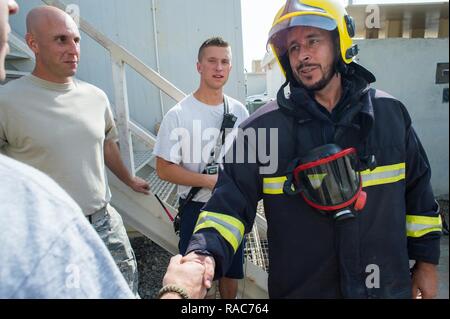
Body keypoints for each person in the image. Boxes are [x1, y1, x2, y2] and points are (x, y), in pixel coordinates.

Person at [181, 0, 442, 299]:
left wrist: (426, 263)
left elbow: (419, 195)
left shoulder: (390, 116)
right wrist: (201, 255)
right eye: (293, 48)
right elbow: (227, 208)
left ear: (339, 40)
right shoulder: (259, 132)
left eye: (313, 41)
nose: (302, 55)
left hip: (386, 290)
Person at [0, 1, 206, 299]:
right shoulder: (7, 102)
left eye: (76, 39)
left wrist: (129, 179)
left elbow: (107, 145)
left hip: (104, 222)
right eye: (61, 39)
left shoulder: (95, 97)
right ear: (32, 43)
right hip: (46, 235)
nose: (73, 49)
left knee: (123, 290)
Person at [153, 37, 249, 299]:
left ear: (230, 67)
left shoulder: (239, 111)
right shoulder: (179, 114)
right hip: (196, 208)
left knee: (231, 272)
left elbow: (247, 159)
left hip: (230, 207)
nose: (219, 67)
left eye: (225, 62)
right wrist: (210, 182)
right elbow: (163, 169)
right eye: (212, 61)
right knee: (196, 277)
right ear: (199, 66)